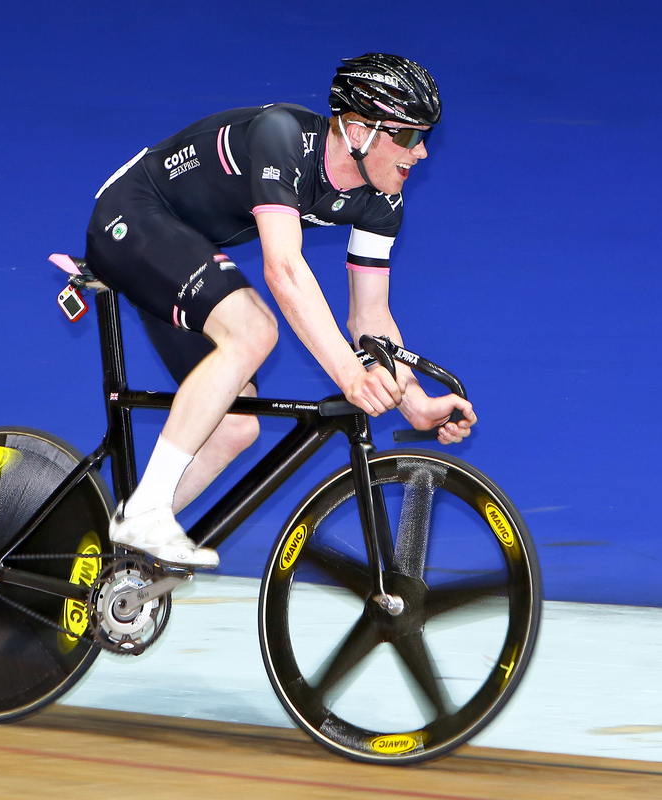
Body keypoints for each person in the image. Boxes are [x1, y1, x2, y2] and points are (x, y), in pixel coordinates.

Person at [85, 53, 475, 569]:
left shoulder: (382, 202)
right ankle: (147, 512)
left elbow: (370, 318)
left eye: (424, 136)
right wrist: (346, 373)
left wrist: (413, 400)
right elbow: (284, 269)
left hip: (184, 249)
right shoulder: (282, 136)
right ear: (357, 131)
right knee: (253, 330)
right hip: (133, 214)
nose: (421, 152)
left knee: (234, 426)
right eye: (407, 136)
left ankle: (104, 556)